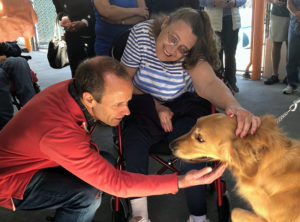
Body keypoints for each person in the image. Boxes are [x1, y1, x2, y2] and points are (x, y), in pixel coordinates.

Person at [0, 56, 227, 222]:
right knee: (88, 196)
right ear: (89, 99)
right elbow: (116, 183)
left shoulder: (74, 89)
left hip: (40, 158)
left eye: (127, 102)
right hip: (11, 180)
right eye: (118, 104)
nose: (127, 111)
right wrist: (182, 181)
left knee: (107, 161)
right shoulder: (57, 131)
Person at [120, 8, 261, 222]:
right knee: (132, 143)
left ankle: (198, 217)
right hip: (142, 103)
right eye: (172, 38)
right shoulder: (141, 34)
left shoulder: (193, 54)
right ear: (165, 22)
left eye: (182, 49)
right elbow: (123, 81)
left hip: (183, 106)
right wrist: (155, 105)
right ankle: (140, 215)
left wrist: (234, 106)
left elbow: (210, 84)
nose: (171, 49)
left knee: (196, 147)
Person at [199, 0, 246, 93]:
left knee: (230, 55)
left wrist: (235, 2)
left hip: (232, 22)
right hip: (213, 23)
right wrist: (213, 2)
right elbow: (199, 1)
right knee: (215, 55)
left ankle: (231, 83)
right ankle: (217, 84)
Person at [52, 0, 96, 77]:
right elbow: (60, 10)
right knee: (76, 70)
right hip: (72, 35)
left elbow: (98, 9)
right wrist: (64, 18)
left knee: (94, 69)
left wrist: (84, 22)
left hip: (93, 34)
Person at [0, 42, 36, 130]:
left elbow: (16, 51)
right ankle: (6, 124)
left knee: (19, 61)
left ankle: (32, 111)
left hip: (4, 61)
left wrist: (5, 46)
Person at [264, 0, 290, 85]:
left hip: (295, 15)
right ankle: (275, 75)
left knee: (291, 46)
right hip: (277, 15)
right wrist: (274, 1)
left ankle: (289, 76)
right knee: (276, 44)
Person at [283, 0, 300, 94]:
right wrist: (296, 13)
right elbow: (289, 4)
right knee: (292, 57)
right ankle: (291, 84)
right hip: (295, 24)